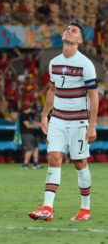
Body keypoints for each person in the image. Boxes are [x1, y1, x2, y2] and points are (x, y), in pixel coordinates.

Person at [29, 22, 99, 221]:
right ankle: (47, 208)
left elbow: (93, 96)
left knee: (80, 163)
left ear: (79, 40)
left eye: (74, 30)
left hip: (78, 122)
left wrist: (92, 125)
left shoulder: (86, 64)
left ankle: (85, 209)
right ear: (62, 35)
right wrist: (45, 115)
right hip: (58, 119)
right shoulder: (54, 63)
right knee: (53, 158)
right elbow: (52, 90)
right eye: (67, 29)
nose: (69, 31)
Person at [19, 102, 42, 169]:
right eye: (30, 107)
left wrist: (41, 123)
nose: (31, 109)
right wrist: (38, 125)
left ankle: (36, 163)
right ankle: (25, 164)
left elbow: (32, 122)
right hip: (26, 134)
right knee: (29, 149)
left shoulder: (29, 115)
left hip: (32, 134)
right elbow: (28, 125)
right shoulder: (23, 115)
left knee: (36, 148)